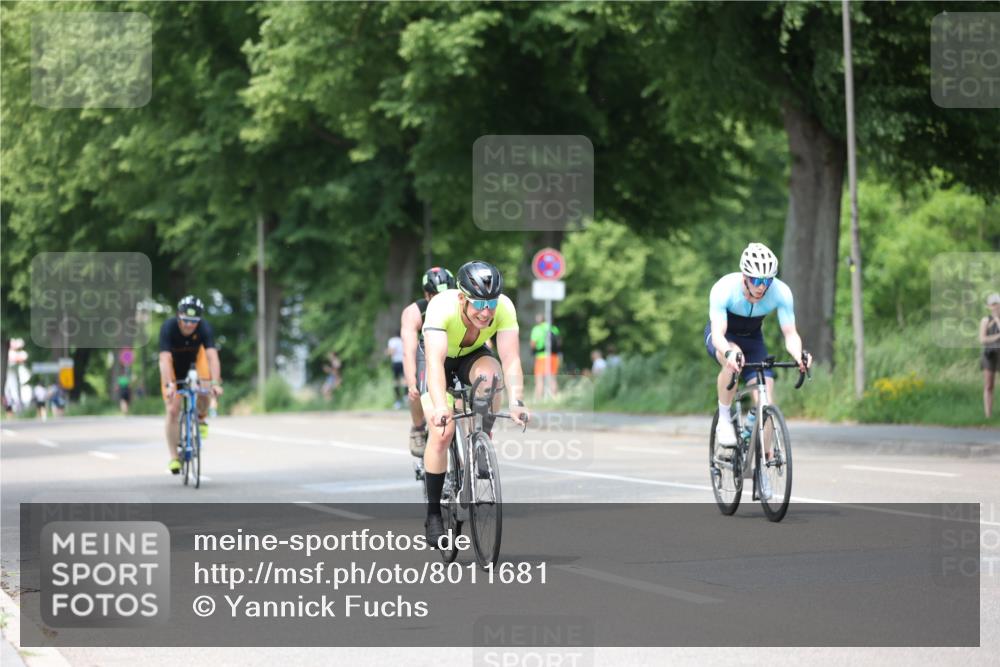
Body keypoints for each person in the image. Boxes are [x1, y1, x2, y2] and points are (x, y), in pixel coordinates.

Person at [421, 260, 530, 546]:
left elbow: (511, 359)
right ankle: (433, 513)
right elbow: (434, 363)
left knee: (492, 377)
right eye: (478, 303)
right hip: (440, 362)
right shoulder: (441, 308)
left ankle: (483, 439)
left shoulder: (504, 308)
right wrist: (441, 407)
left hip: (471, 353)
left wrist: (517, 400)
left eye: (491, 303)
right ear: (461, 298)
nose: (486, 312)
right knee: (442, 434)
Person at [705, 243, 811, 499]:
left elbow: (790, 333)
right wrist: (729, 352)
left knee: (767, 398)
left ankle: (764, 466)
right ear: (745, 276)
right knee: (731, 363)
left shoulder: (781, 292)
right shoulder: (724, 289)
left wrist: (799, 355)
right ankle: (724, 419)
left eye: (767, 279)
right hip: (724, 337)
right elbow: (718, 333)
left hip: (754, 340)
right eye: (756, 279)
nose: (762, 285)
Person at [400, 267, 456, 477]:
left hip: (452, 350)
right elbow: (409, 351)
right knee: (417, 389)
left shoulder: (460, 304)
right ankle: (417, 427)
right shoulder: (414, 313)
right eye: (435, 296)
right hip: (425, 352)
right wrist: (411, 381)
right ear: (426, 295)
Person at [159, 295, 223, 474]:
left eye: (193, 321)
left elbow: (212, 357)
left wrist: (215, 383)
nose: (189, 325)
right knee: (173, 409)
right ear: (179, 316)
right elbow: (165, 358)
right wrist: (168, 384)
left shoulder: (204, 327)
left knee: (205, 386)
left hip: (194, 364)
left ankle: (201, 418)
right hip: (172, 367)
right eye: (185, 320)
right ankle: (174, 458)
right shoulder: (169, 327)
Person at [530, 313, 561, 399]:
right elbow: (559, 343)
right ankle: (555, 398)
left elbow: (533, 344)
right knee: (552, 378)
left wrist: (533, 351)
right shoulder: (553, 328)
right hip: (553, 356)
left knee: (539, 379)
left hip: (541, 356)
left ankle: (538, 398)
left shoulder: (536, 329)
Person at [979, 292, 1000, 418]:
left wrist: (997, 319)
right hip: (990, 354)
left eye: (997, 304)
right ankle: (988, 415)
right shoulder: (985, 320)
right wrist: (997, 336)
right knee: (989, 384)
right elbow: (982, 339)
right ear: (989, 306)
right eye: (993, 304)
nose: (996, 306)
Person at [386, 332, 405, 409]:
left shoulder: (392, 340)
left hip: (396, 362)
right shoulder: (403, 340)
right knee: (405, 380)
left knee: (396, 381)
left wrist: (387, 352)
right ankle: (406, 396)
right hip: (403, 362)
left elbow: (391, 351)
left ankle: (398, 401)